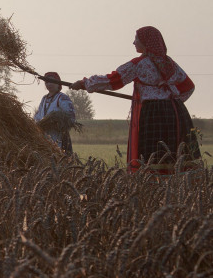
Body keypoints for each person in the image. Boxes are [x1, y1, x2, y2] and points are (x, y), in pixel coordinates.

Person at [71, 26, 200, 173]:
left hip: (154, 113)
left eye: (136, 39)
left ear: (146, 42)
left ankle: (154, 189)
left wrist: (84, 83)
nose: (133, 42)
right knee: (176, 154)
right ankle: (178, 188)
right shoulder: (170, 63)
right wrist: (172, 100)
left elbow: (114, 80)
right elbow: (189, 87)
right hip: (177, 113)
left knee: (154, 156)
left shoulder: (139, 64)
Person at [33, 72, 76, 154]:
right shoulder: (44, 99)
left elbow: (71, 118)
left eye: (52, 81)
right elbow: (38, 116)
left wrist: (56, 122)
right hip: (45, 137)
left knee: (62, 160)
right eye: (47, 82)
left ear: (58, 83)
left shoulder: (62, 98)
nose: (49, 84)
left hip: (60, 137)